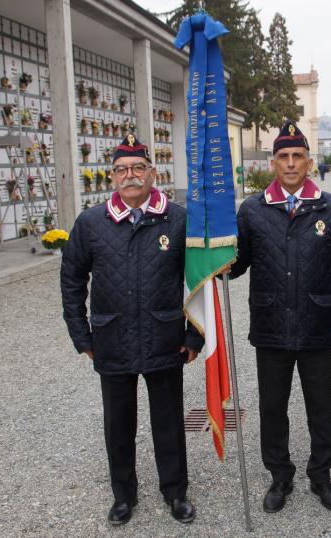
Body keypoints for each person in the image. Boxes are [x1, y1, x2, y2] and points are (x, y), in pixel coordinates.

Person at [61, 134, 201, 526]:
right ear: (112, 177)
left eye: (139, 168)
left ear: (153, 173)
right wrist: (81, 335)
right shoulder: (91, 223)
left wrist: (195, 336)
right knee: (118, 425)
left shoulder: (178, 218)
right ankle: (123, 496)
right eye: (122, 169)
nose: (131, 176)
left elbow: (197, 281)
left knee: (169, 422)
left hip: (164, 338)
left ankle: (175, 492)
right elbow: (72, 279)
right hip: (112, 339)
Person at [230, 120, 331, 514]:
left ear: (308, 162)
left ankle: (321, 476)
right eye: (283, 156)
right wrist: (215, 258)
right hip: (270, 326)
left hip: (318, 326)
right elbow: (239, 263)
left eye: (297, 156)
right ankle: (279, 476)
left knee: (321, 405)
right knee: (273, 406)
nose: (290, 163)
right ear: (272, 163)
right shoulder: (252, 209)